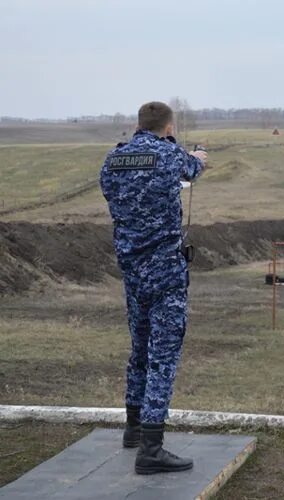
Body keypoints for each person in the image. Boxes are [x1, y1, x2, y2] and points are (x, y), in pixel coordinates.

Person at [100, 101, 207, 474]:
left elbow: (112, 194)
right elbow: (192, 169)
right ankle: (152, 447)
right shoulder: (170, 154)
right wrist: (194, 154)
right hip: (164, 269)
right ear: (168, 126)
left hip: (131, 269)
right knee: (163, 352)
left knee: (139, 345)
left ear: (138, 124)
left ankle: (132, 428)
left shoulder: (114, 160)